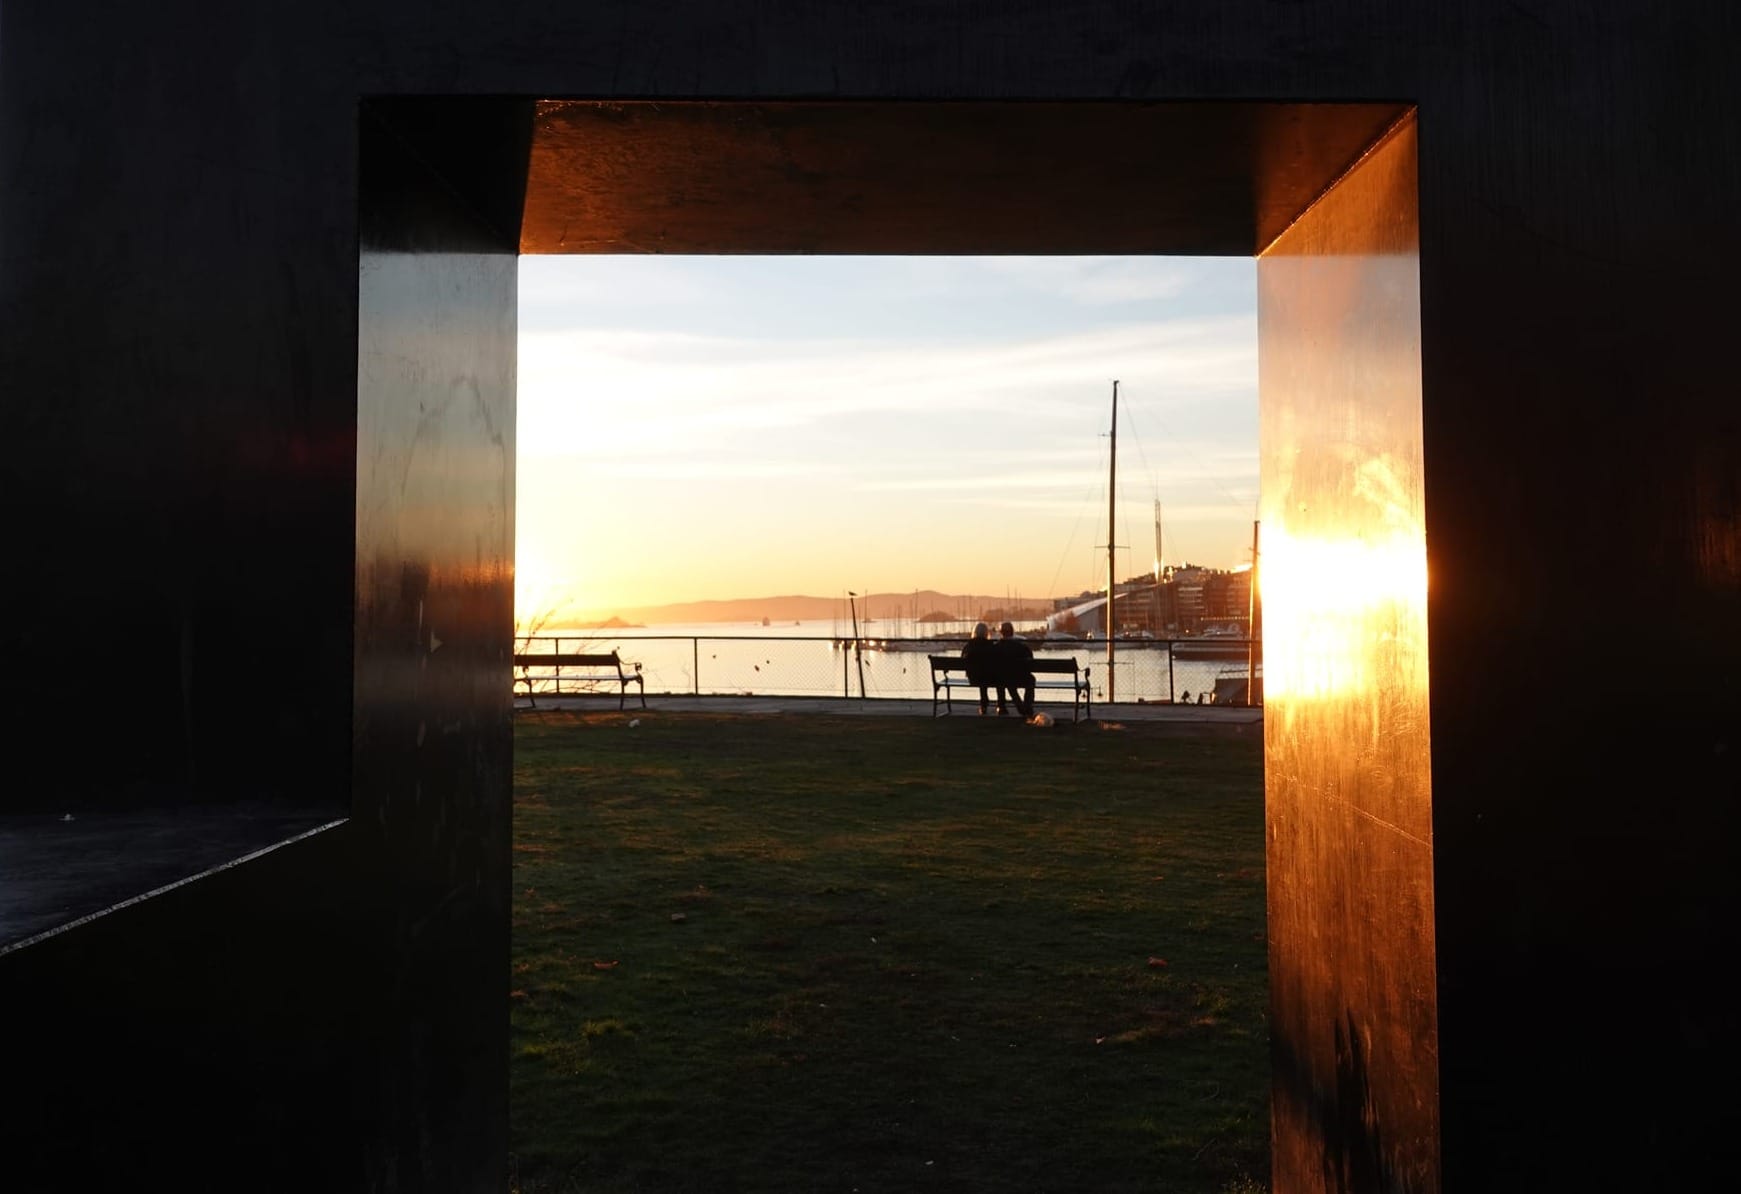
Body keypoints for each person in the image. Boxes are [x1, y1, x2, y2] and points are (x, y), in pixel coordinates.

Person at [959, 621, 1004, 715]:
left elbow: (962, 660)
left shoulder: (968, 646)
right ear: (986, 633)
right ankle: (1001, 706)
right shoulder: (991, 646)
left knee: (980, 674)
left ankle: (983, 705)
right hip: (990, 678)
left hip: (973, 678)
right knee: (998, 678)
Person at [995, 621, 1036, 719]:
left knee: (1002, 679)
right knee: (1031, 680)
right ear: (1012, 632)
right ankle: (1027, 706)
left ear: (1001, 632)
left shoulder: (995, 647)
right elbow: (1031, 662)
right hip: (1021, 677)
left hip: (1002, 678)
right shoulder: (1022, 647)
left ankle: (1002, 707)